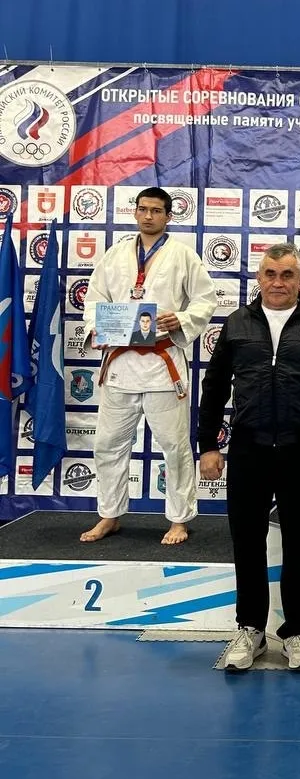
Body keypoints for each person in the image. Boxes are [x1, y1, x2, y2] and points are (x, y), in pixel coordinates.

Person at [198, 244, 300, 673]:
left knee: (298, 543)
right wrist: (208, 445)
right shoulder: (237, 323)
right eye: (270, 274)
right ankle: (250, 628)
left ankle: (296, 632)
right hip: (248, 447)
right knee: (246, 541)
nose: (278, 282)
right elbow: (214, 388)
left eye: (287, 275)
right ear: (259, 278)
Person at [81, 187, 216, 546]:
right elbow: (94, 300)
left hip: (162, 364)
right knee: (108, 444)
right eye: (143, 209)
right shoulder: (115, 255)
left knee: (174, 446)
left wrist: (181, 319)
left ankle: (179, 519)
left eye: (156, 211)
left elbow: (205, 300)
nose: (148, 216)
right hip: (121, 364)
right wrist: (98, 326)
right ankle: (109, 514)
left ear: (168, 216)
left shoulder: (183, 255)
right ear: (135, 212)